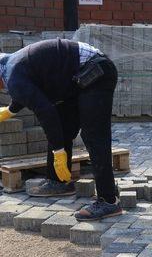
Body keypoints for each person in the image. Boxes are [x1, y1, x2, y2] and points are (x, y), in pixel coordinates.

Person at [0, 38, 121, 220]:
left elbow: (46, 112)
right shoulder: (10, 65)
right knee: (63, 128)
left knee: (93, 135)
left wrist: (59, 152)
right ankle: (59, 182)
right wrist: (10, 111)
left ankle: (109, 201)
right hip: (78, 77)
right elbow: (26, 91)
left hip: (96, 72)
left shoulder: (12, 74)